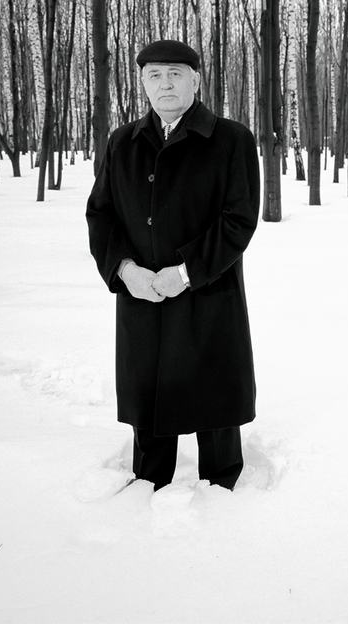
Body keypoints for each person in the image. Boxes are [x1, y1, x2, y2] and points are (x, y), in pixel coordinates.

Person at [86, 38, 260, 491]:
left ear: (196, 80)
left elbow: (238, 220)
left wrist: (184, 273)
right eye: (155, 75)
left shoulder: (231, 139)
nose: (165, 85)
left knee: (215, 399)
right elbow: (101, 214)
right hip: (143, 294)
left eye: (176, 74)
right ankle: (148, 484)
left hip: (208, 291)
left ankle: (225, 491)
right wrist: (126, 270)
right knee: (150, 397)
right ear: (142, 82)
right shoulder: (122, 143)